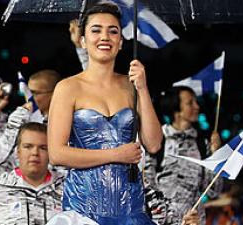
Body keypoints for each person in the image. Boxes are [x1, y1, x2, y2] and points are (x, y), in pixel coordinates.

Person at [46, 3, 164, 224]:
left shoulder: (132, 86)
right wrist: (115, 155)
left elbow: (154, 143)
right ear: (83, 40)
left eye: (113, 31)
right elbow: (57, 154)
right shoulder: (67, 88)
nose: (105, 37)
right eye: (96, 30)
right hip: (83, 212)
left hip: (131, 211)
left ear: (120, 42)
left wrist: (143, 88)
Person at [0, 122, 65, 225]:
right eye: (28, 146)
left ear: (50, 152)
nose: (35, 153)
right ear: (18, 152)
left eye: (43, 148)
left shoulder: (68, 190)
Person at [0, 70, 62, 186]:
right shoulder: (23, 121)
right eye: (27, 92)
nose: (29, 98)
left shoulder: (67, 123)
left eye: (34, 93)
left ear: (55, 93)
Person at [144, 86, 222, 225]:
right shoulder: (158, 139)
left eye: (196, 102)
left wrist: (216, 154)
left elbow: (213, 192)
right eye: (190, 103)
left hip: (194, 221)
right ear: (176, 109)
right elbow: (147, 184)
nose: (197, 106)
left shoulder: (202, 144)